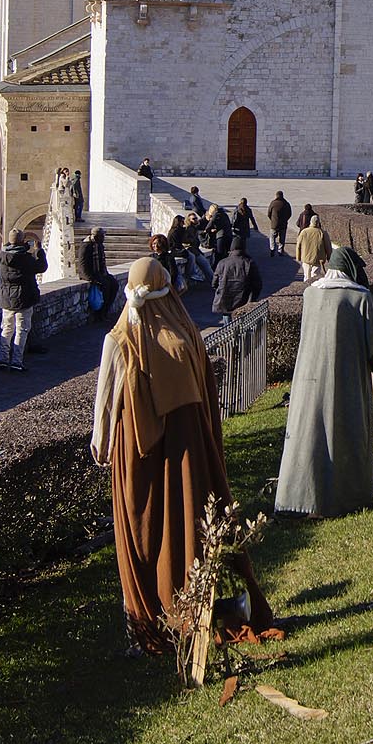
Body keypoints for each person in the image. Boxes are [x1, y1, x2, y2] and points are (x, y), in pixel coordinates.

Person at [90, 257, 274, 654]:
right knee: (185, 530)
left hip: (137, 456)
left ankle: (144, 624)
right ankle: (198, 609)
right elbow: (209, 397)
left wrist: (103, 449)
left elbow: (105, 409)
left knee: (141, 536)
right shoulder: (188, 333)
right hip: (189, 454)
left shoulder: (119, 341)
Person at [275, 246, 373, 518]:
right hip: (347, 380)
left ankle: (302, 499)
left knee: (309, 435)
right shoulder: (360, 297)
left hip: (309, 380)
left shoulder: (311, 294)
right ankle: (348, 496)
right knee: (346, 434)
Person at [0, 227, 48, 371]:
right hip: (23, 298)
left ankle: (3, 358)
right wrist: (38, 251)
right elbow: (42, 267)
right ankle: (17, 361)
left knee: (6, 329)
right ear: (22, 241)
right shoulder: (25, 259)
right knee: (21, 330)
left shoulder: (1, 256)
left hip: (6, 297)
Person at [212, 235, 263, 323]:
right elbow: (257, 284)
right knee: (242, 327)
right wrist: (252, 298)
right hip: (243, 300)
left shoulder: (222, 263)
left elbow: (214, 283)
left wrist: (219, 291)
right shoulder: (249, 263)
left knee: (227, 328)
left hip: (225, 300)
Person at [80, 226, 120, 314]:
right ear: (96, 237)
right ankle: (100, 314)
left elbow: (102, 262)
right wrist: (91, 278)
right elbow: (83, 264)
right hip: (92, 274)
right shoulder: (86, 246)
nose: (103, 238)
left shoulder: (99, 245)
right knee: (106, 286)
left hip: (101, 273)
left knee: (114, 284)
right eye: (102, 236)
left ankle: (106, 311)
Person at [295, 213, 330, 284]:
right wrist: (329, 257)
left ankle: (306, 290)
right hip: (318, 259)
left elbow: (298, 245)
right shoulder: (322, 233)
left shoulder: (304, 232)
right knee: (315, 277)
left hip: (305, 258)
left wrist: (298, 257)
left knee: (306, 276)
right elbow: (328, 247)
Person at [180, 214, 214, 285]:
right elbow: (184, 240)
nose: (196, 220)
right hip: (192, 250)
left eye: (196, 218)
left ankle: (213, 281)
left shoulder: (193, 228)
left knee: (205, 265)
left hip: (195, 250)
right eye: (193, 219)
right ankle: (213, 282)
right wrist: (192, 241)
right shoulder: (189, 229)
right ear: (189, 220)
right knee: (205, 264)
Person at [204, 202, 233, 269]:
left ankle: (216, 270)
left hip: (221, 237)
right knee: (227, 254)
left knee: (219, 255)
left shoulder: (215, 215)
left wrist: (210, 230)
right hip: (229, 235)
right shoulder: (224, 214)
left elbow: (207, 228)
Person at [267, 191, 292, 255]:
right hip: (283, 224)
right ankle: (280, 250)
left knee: (272, 237)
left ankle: (272, 248)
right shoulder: (286, 204)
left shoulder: (273, 203)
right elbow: (289, 214)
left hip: (274, 224)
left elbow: (269, 213)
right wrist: (285, 220)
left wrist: (272, 220)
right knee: (282, 238)